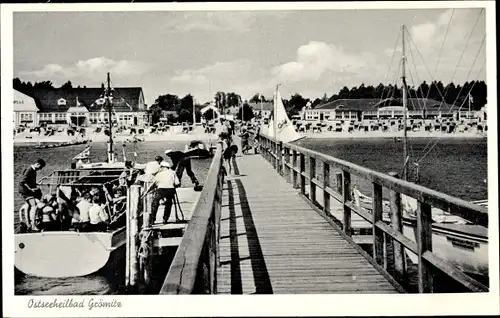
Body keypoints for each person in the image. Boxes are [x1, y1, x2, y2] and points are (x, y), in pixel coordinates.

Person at [144, 161, 180, 227]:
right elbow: (177, 183)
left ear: (163, 167)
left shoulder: (159, 174)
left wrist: (146, 192)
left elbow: (153, 184)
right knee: (168, 204)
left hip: (161, 190)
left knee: (155, 204)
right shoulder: (173, 172)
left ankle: (152, 220)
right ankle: (165, 219)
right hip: (170, 190)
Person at [18, 159, 46, 231]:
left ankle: (28, 224)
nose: (40, 169)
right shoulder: (29, 170)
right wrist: (30, 189)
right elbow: (23, 182)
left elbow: (30, 182)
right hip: (25, 191)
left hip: (27, 190)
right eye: (40, 167)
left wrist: (36, 185)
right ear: (37, 164)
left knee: (28, 206)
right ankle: (33, 225)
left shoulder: (33, 171)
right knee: (34, 206)